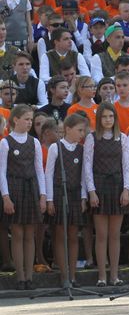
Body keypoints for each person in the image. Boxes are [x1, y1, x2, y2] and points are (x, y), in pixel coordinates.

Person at [83, 101, 129, 287]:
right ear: (98, 119)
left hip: (117, 186)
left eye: (111, 116)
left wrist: (126, 189)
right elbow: (87, 166)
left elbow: (127, 166)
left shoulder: (122, 138)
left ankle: (114, 276)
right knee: (101, 235)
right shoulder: (92, 138)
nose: (108, 120)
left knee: (115, 235)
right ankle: (102, 276)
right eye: (104, 117)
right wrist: (91, 191)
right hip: (100, 186)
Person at [1, 105, 46, 290]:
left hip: (31, 189)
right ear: (15, 120)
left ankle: (29, 276)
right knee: (17, 234)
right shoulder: (5, 143)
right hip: (14, 188)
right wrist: (6, 197)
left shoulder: (34, 142)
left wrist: (43, 195)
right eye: (26, 119)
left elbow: (39, 170)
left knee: (30, 234)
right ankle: (20, 276)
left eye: (31, 119)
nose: (29, 123)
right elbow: (2, 172)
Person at [46, 113, 90, 287]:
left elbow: (83, 176)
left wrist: (83, 197)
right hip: (59, 193)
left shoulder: (81, 149)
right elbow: (48, 174)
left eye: (83, 130)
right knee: (60, 235)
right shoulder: (55, 147)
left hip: (75, 194)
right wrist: (49, 199)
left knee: (73, 236)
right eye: (79, 130)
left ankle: (73, 276)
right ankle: (64, 276)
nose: (82, 134)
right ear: (68, 129)